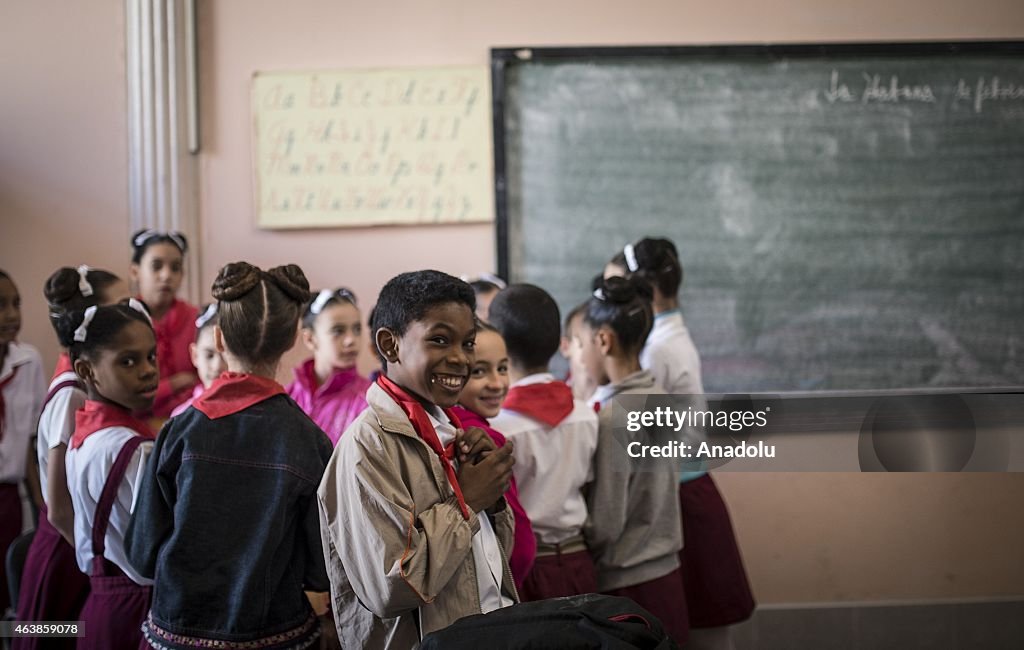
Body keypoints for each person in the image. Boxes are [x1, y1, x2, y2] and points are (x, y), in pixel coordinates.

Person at [125, 262, 331, 649]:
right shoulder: (310, 440)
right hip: (274, 633)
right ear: (291, 339)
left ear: (218, 340)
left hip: (177, 632)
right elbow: (321, 571)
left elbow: (142, 555)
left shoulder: (178, 431)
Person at [319, 270, 518, 649]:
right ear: (390, 346)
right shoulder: (367, 448)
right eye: (440, 340)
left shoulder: (449, 429)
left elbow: (487, 563)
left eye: (468, 342)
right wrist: (467, 503)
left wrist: (491, 501)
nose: (461, 359)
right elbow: (390, 589)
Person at [608, 238, 755, 650]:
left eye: (615, 292)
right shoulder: (666, 337)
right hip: (683, 492)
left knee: (697, 631)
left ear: (645, 292)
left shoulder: (656, 350)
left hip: (681, 498)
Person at [13, 266, 128, 650]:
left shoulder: (84, 384)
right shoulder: (72, 394)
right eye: (121, 307)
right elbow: (59, 506)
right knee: (52, 635)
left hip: (76, 547)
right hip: (67, 554)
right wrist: (95, 565)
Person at [578, 275, 688, 646]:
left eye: (581, 344)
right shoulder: (660, 398)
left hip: (628, 581)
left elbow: (607, 522)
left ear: (604, 340)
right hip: (666, 569)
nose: (579, 356)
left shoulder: (614, 417)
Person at [488, 284, 600, 601]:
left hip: (524, 567)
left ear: (498, 342)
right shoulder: (586, 415)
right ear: (556, 341)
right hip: (579, 562)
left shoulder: (497, 427)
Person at [61, 300, 159, 649]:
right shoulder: (136, 449)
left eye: (152, 356)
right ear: (86, 371)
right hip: (139, 613)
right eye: (128, 361)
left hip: (99, 606)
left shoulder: (82, 437)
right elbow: (156, 545)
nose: (148, 370)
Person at [451, 321, 536, 590]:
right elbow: (519, 544)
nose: (497, 383)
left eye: (502, 368)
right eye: (478, 372)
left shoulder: (454, 425)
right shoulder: (483, 438)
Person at [0, 270, 46, 616]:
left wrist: (46, 508)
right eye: (0, 306)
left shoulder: (28, 361)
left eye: (16, 303)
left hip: (11, 498)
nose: (12, 314)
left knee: (17, 602)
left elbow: (32, 441)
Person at [288, 288, 371, 445]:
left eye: (357, 329)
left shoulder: (369, 402)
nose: (350, 340)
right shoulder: (288, 397)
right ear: (310, 339)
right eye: (338, 331)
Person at [129, 229, 199, 418]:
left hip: (188, 423)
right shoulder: (124, 321)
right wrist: (173, 384)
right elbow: (124, 393)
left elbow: (207, 381)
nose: (167, 275)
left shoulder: (197, 319)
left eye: (175, 268)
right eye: (156, 266)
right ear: (135, 271)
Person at [169, 303, 225, 417]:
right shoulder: (181, 416)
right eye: (209, 355)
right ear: (195, 355)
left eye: (226, 356)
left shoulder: (251, 412)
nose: (217, 366)